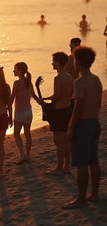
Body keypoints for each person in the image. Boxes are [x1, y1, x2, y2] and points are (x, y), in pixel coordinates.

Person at [63, 47, 102, 209]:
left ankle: (81, 199)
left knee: (81, 164)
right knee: (93, 160)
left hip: (84, 124)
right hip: (94, 121)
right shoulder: (96, 80)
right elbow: (99, 103)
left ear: (77, 61)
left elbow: (78, 108)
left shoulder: (79, 82)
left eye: (74, 59)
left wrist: (71, 128)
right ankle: (94, 194)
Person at [41, 52, 73, 175]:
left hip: (60, 112)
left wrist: (43, 100)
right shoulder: (69, 77)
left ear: (58, 63)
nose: (52, 63)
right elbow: (69, 94)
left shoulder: (58, 78)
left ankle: (59, 168)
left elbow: (56, 96)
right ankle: (66, 167)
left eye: (53, 61)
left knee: (58, 141)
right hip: (68, 109)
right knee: (66, 141)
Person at [11, 62, 40, 163]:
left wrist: (5, 107)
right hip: (28, 112)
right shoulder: (28, 82)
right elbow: (34, 96)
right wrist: (40, 101)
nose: (13, 71)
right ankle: (27, 155)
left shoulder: (17, 83)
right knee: (27, 134)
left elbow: (12, 98)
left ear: (19, 71)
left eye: (15, 69)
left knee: (16, 134)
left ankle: (22, 155)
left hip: (20, 112)